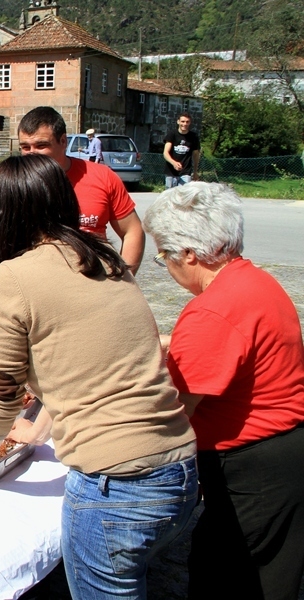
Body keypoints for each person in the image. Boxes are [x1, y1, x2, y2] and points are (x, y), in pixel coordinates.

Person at [0, 154, 198, 600]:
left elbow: (0, 388)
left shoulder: (11, 277)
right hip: (179, 470)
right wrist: (37, 431)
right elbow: (86, 365)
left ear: (1, 214)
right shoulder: (105, 259)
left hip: (116, 485)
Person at [143, 182, 304, 600]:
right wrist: (171, 345)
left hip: (252, 465)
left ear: (188, 254)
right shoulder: (253, 281)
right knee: (270, 569)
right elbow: (232, 353)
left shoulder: (211, 311)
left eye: (163, 256)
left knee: (230, 578)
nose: (167, 266)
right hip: (282, 451)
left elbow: (174, 410)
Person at [0, 107, 144, 275]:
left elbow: (132, 231)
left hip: (91, 281)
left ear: (63, 141)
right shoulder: (13, 184)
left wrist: (123, 278)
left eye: (41, 145)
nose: (32, 153)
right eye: (25, 147)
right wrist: (3, 286)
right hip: (34, 285)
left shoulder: (101, 176)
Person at [163, 112, 200, 188]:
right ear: (178, 122)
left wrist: (195, 171)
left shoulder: (193, 137)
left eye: (187, 122)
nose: (185, 124)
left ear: (190, 123)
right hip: (171, 172)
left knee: (184, 193)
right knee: (170, 194)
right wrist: (174, 163)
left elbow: (196, 155)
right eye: (182, 121)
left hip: (186, 172)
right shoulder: (172, 134)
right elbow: (165, 153)